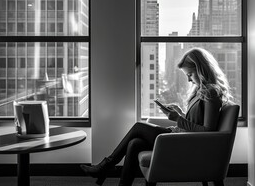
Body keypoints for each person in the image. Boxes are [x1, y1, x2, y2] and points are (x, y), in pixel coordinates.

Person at [80, 47, 233, 186]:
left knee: (139, 127)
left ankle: (104, 167)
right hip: (183, 138)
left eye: (190, 74)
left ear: (200, 69)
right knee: (135, 143)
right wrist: (180, 114)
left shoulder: (211, 93)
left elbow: (208, 131)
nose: (188, 79)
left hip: (187, 144)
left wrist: (178, 119)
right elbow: (196, 121)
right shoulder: (201, 91)